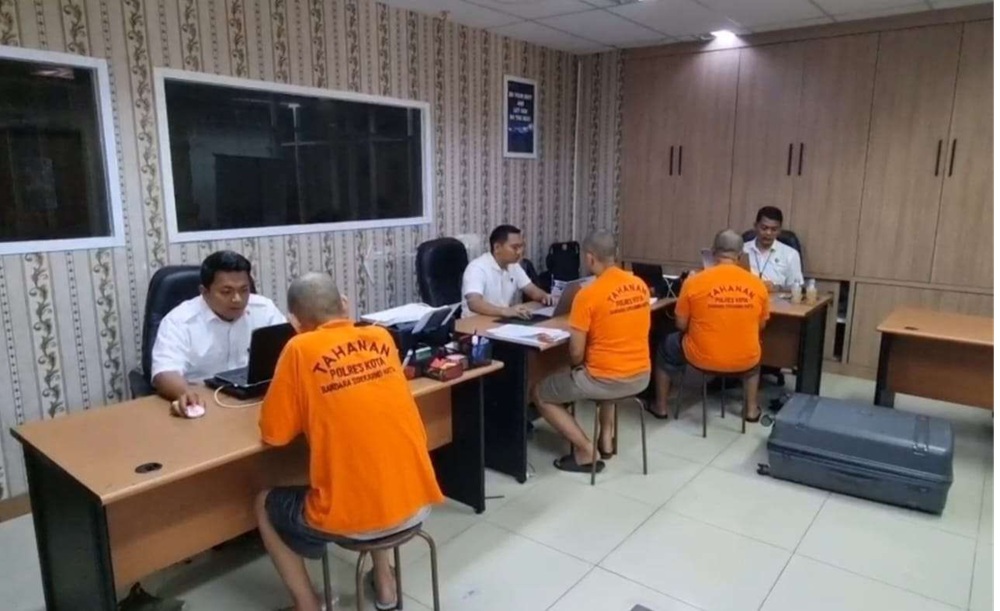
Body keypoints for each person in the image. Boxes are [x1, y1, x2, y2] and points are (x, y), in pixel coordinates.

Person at [256, 272, 444, 611]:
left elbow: (274, 434)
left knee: (263, 502)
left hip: (361, 521)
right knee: (373, 469)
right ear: (345, 304)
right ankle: (385, 586)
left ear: (294, 322)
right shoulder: (381, 337)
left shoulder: (298, 348)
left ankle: (306, 604)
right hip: (416, 502)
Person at [531, 230, 651, 473]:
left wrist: (573, 364)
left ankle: (586, 450)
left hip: (606, 379)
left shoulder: (588, 295)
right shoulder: (639, 285)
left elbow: (576, 353)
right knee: (606, 368)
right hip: (641, 375)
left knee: (539, 393)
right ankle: (606, 440)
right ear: (615, 254)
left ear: (590, 258)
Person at [651, 230, 770, 421]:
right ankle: (751, 411)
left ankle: (661, 407)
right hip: (744, 359)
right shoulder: (758, 285)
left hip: (700, 357)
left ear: (713, 252)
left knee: (665, 347)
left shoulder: (694, 282)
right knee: (754, 360)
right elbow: (761, 326)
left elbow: (680, 325)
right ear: (740, 255)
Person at [150, 250, 286, 414]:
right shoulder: (180, 320)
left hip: (255, 401)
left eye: (244, 290)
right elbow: (164, 371)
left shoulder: (264, 309)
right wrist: (184, 392)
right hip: (203, 402)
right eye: (226, 292)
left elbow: (290, 351)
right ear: (204, 292)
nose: (237, 299)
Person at [461, 224, 553, 318]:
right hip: (475, 323)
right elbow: (474, 303)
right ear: (497, 247)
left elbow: (532, 291)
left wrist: (546, 297)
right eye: (515, 247)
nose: (519, 252)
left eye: (521, 247)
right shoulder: (477, 268)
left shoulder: (514, 266)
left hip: (500, 320)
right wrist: (506, 311)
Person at [743, 206, 803, 291]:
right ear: (755, 226)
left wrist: (777, 288)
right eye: (764, 228)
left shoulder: (791, 254)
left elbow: (797, 287)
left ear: (779, 230)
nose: (768, 233)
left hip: (776, 298)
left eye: (774, 229)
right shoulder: (742, 250)